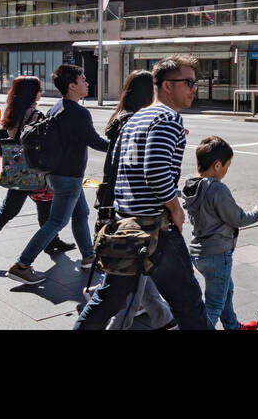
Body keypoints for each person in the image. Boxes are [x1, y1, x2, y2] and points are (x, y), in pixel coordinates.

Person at [75, 55, 212, 329]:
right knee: (188, 301)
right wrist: (175, 208)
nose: (193, 88)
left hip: (128, 224)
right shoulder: (167, 118)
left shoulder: (138, 117)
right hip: (155, 228)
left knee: (108, 300)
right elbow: (156, 172)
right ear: (165, 86)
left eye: (195, 83)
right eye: (187, 82)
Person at [7, 64, 109, 284]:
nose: (87, 83)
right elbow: (95, 141)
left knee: (80, 214)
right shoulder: (78, 112)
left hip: (58, 174)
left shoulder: (58, 106)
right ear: (72, 86)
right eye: (83, 80)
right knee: (56, 222)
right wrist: (121, 145)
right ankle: (22, 265)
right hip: (68, 177)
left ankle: (89, 258)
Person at [0, 76, 71, 268]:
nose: (40, 92)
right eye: (38, 89)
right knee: (9, 211)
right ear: (33, 93)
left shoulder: (12, 112)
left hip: (16, 165)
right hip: (30, 168)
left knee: (44, 204)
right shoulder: (34, 115)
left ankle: (52, 241)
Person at [94, 69, 170, 329]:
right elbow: (140, 168)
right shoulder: (136, 120)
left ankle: (162, 316)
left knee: (136, 270)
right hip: (132, 205)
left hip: (115, 199)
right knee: (130, 274)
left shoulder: (121, 118)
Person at [182, 135, 258, 330]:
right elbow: (237, 218)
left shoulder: (191, 185)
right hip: (218, 253)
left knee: (226, 290)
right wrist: (256, 214)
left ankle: (232, 326)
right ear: (217, 165)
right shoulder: (216, 189)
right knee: (214, 305)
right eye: (227, 165)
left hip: (199, 253)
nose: (227, 169)